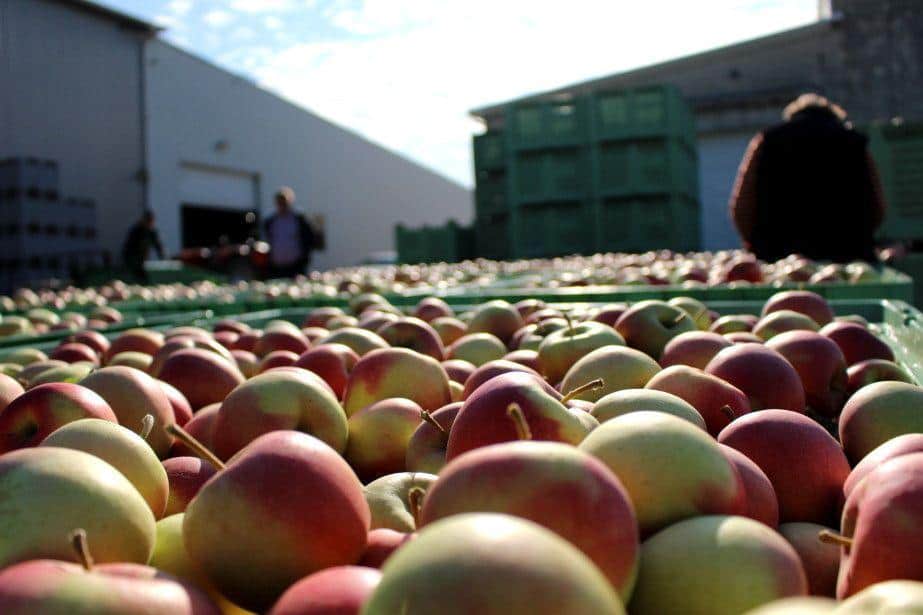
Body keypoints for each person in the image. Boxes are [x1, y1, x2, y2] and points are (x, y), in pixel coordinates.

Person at [729, 93, 887, 263]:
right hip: (847, 258)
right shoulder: (854, 142)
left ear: (791, 117)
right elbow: (877, 207)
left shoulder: (767, 140)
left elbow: (742, 207)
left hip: (778, 259)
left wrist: (755, 244)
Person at [263, 187, 319, 278]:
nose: (282, 205)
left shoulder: (299, 219)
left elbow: (310, 239)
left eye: (284, 202)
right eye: (279, 202)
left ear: (290, 202)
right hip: (277, 267)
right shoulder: (270, 221)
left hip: (296, 267)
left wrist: (305, 259)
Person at [121, 210, 164, 284]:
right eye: (148, 221)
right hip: (133, 259)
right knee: (136, 277)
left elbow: (158, 245)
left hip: (142, 259)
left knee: (143, 277)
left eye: (151, 221)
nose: (150, 223)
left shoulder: (152, 232)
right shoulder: (136, 231)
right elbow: (128, 247)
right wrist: (131, 260)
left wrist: (162, 256)